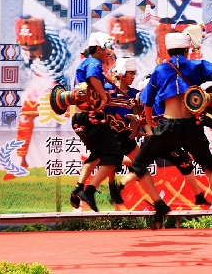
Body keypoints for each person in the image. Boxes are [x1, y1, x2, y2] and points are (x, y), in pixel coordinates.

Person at [129, 32, 212, 231]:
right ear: (187, 50)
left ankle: (159, 205)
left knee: (139, 164)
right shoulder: (198, 66)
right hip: (191, 125)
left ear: (168, 50)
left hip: (168, 126)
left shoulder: (160, 70)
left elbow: (147, 102)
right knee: (210, 165)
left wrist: (150, 125)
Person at [9, 16, 77, 180]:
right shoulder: (30, 56)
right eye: (25, 49)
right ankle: (21, 159)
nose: (29, 53)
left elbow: (65, 72)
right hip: (41, 82)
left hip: (61, 86)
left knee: (78, 118)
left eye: (33, 49)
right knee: (25, 117)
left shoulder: (60, 53)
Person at [71, 32, 132, 212]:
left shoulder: (84, 63)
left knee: (98, 155)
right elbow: (92, 78)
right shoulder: (93, 63)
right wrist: (105, 97)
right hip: (92, 117)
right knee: (115, 155)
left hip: (79, 118)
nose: (108, 53)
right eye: (107, 50)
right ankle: (89, 191)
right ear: (98, 49)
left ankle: (79, 188)